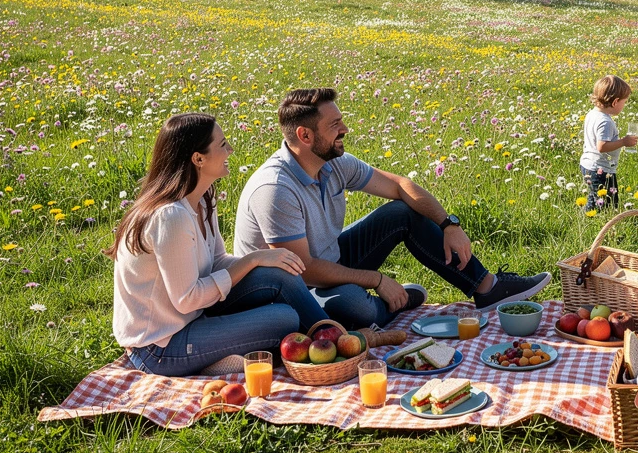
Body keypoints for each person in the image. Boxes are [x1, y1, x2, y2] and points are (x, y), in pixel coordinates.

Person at [234, 88, 551, 329]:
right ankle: (392, 302)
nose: (344, 129)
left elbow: (400, 185)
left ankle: (486, 287)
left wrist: (448, 224)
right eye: (335, 125)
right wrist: (375, 280)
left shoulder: (333, 163)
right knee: (358, 309)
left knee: (403, 212)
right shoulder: (275, 189)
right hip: (293, 290)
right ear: (305, 135)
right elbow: (304, 270)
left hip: (329, 259)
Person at [109, 114, 325, 378]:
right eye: (223, 145)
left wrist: (261, 259)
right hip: (160, 348)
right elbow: (187, 299)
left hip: (193, 318)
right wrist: (251, 260)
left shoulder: (201, 198)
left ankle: (331, 334)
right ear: (198, 159)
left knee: (280, 273)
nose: (231, 150)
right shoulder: (171, 217)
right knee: (285, 319)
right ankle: (331, 343)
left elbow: (216, 261)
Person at [579, 74, 637, 211]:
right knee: (604, 203)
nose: (624, 105)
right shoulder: (605, 122)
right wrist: (624, 141)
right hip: (600, 169)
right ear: (615, 102)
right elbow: (602, 146)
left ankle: (590, 219)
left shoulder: (593, 114)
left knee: (596, 197)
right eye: (624, 101)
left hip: (589, 164)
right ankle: (594, 223)